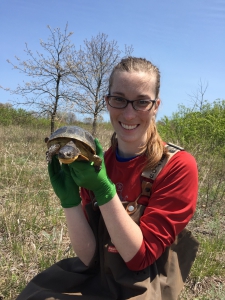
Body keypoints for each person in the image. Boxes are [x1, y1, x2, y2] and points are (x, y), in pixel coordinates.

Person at [17, 57, 199, 300]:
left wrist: (104, 189)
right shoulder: (97, 162)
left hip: (144, 283)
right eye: (119, 99)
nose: (129, 112)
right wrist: (70, 201)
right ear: (107, 102)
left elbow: (139, 259)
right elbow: (89, 257)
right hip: (99, 274)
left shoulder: (178, 166)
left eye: (142, 102)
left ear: (156, 106)